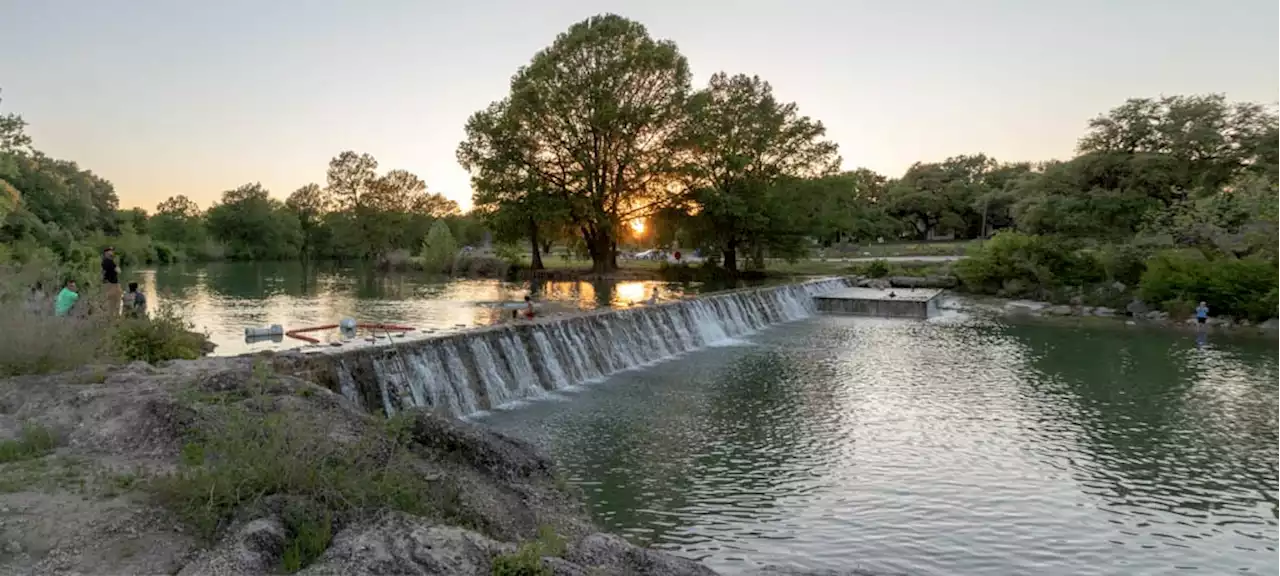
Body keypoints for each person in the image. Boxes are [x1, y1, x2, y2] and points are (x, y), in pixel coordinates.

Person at [101, 247, 121, 316]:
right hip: (113, 285)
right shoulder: (110, 262)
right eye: (111, 251)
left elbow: (103, 273)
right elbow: (119, 271)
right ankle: (115, 320)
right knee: (116, 304)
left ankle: (109, 319)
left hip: (107, 284)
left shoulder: (103, 261)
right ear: (106, 253)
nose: (112, 252)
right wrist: (117, 264)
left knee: (109, 304)